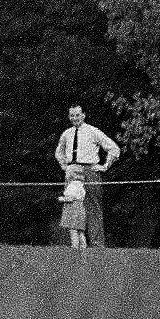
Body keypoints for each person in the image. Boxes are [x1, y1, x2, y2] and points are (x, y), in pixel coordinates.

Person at [53, 103, 120, 249]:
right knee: (71, 207)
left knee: (93, 208)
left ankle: (97, 246)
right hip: (72, 172)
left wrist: (105, 166)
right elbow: (59, 153)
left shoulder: (93, 131)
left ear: (83, 115)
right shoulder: (66, 134)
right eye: (72, 115)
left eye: (77, 115)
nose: (75, 118)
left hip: (90, 171)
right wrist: (65, 167)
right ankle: (73, 246)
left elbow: (114, 148)